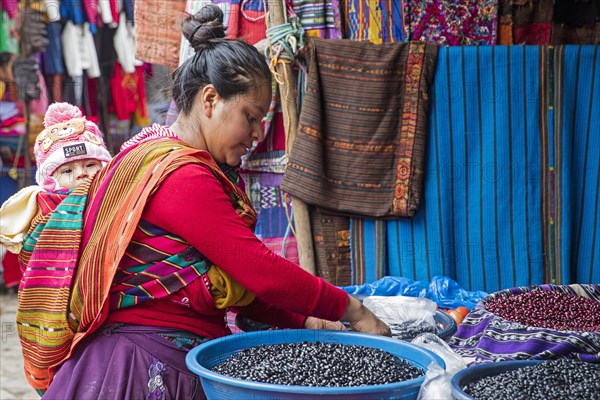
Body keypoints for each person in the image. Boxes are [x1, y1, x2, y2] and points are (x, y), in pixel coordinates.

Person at [37, 5, 390, 399]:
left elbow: (243, 287)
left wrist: (310, 318)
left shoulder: (150, 152)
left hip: (143, 358)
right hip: (141, 368)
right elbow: (260, 270)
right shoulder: (181, 176)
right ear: (210, 100)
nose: (257, 133)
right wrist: (352, 309)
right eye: (250, 116)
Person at [0, 102, 112, 254]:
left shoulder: (114, 197)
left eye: (90, 164)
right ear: (50, 181)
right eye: (67, 171)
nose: (81, 173)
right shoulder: (45, 212)